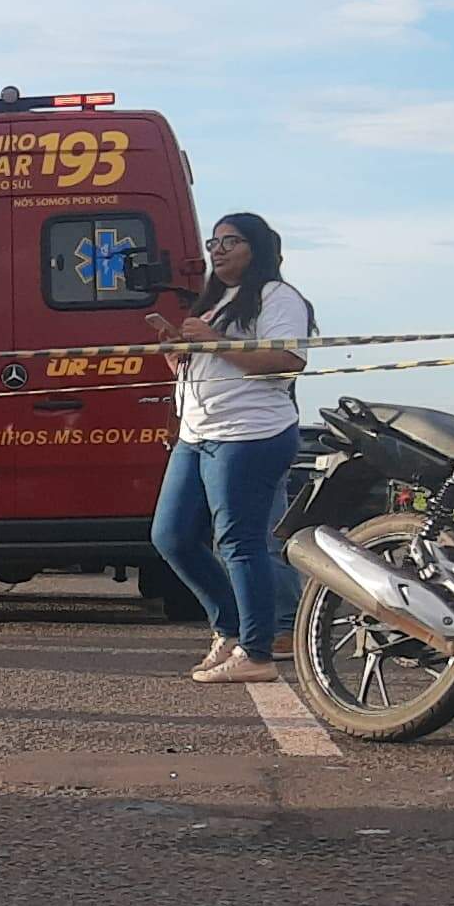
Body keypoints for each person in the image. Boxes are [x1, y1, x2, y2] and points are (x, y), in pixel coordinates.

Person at [145, 211, 314, 683]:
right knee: (171, 537)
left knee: (240, 543)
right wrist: (178, 353)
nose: (217, 250)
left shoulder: (277, 297)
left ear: (256, 248)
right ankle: (231, 627)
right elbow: (206, 371)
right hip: (197, 434)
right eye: (213, 242)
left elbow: (285, 363)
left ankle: (257, 652)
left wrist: (215, 342)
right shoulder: (217, 301)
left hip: (249, 435)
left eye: (230, 241)